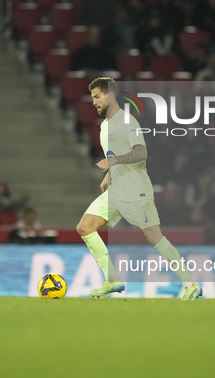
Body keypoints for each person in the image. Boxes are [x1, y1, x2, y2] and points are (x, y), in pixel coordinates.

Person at [76, 77, 202, 300]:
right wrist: (110, 174)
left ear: (111, 96)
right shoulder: (105, 125)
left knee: (155, 238)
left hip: (136, 191)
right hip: (116, 190)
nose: (93, 102)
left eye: (97, 97)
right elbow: (115, 154)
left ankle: (191, 284)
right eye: (92, 97)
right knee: (85, 227)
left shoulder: (126, 121)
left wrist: (114, 163)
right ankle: (112, 280)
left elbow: (141, 152)